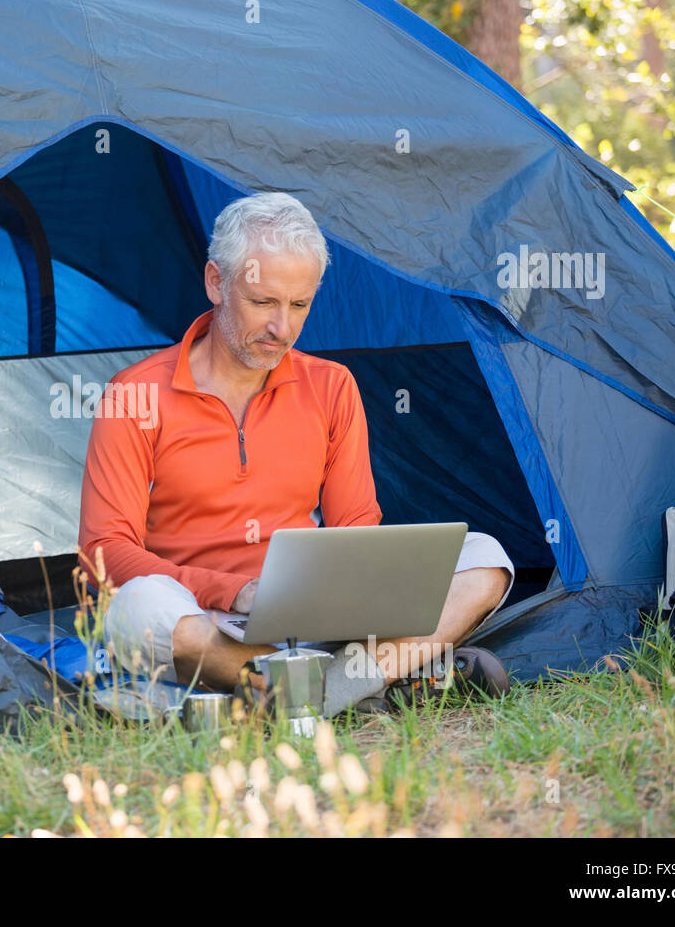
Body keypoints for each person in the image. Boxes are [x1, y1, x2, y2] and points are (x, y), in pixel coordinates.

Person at [77, 191, 515, 716]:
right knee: (138, 608)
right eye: (263, 302)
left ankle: (310, 695)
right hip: (207, 618)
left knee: (487, 558)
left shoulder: (331, 387)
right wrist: (237, 591)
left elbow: (355, 522)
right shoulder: (135, 395)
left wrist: (342, 598)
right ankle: (367, 681)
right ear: (216, 283)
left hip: (320, 620)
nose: (281, 328)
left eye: (299, 305)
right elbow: (104, 552)